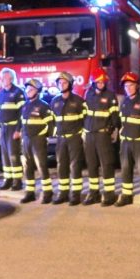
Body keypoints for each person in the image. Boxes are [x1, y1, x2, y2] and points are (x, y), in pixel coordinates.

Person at [83, 67, 121, 206]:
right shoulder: (88, 94)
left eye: (102, 82)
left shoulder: (110, 96)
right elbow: (84, 114)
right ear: (93, 83)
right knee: (91, 165)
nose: (101, 84)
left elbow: (115, 116)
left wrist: (111, 129)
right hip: (89, 135)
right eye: (98, 82)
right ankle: (93, 193)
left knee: (106, 164)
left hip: (103, 134)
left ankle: (109, 194)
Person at [117, 71, 140, 208]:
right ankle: (126, 195)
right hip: (126, 142)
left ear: (137, 86)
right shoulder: (125, 102)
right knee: (126, 169)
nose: (128, 88)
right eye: (126, 85)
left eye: (130, 85)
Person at [51, 71, 87, 206]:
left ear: (70, 84)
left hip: (74, 138)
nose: (61, 85)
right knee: (61, 166)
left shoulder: (78, 101)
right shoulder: (55, 102)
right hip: (61, 139)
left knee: (75, 166)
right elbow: (52, 121)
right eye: (59, 83)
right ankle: (62, 193)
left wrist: (82, 135)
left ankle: (75, 194)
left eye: (64, 82)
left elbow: (86, 119)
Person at [19, 78, 54, 204]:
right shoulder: (25, 105)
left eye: (31, 89)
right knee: (27, 167)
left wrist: (45, 137)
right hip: (27, 139)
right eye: (27, 89)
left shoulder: (43, 106)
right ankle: (30, 193)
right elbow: (23, 123)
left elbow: (50, 124)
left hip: (38, 139)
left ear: (38, 91)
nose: (28, 91)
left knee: (42, 166)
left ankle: (48, 192)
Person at [0, 68, 26, 191]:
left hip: (13, 128)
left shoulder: (18, 92)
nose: (1, 80)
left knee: (13, 155)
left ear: (11, 79)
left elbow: (22, 114)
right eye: (1, 77)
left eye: (4, 77)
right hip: (3, 128)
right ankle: (8, 179)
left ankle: (17, 181)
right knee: (5, 156)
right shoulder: (1, 92)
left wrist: (18, 130)